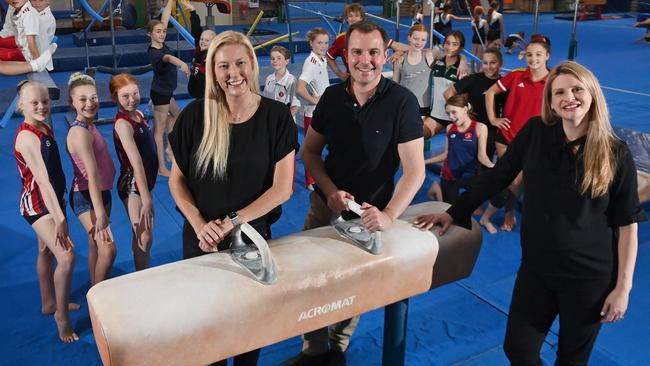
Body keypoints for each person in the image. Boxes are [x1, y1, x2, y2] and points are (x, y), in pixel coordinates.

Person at [414, 60, 645, 366]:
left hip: (589, 277)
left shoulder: (615, 152)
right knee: (518, 349)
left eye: (577, 89)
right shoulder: (537, 131)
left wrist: (622, 289)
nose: (569, 97)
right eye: (559, 92)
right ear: (550, 100)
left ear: (592, 94)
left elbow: (627, 225)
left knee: (571, 361)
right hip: (537, 268)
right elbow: (499, 176)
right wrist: (456, 211)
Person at [282, 21, 425, 366]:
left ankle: (337, 347)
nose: (365, 61)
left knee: (353, 286)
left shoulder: (402, 102)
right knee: (309, 280)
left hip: (367, 213)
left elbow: (415, 170)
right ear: (344, 57)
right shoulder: (332, 98)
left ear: (386, 54)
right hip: (325, 203)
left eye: (373, 52)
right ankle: (313, 349)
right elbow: (310, 153)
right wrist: (329, 191)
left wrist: (389, 215)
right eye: (357, 52)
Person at [168, 30, 298, 366]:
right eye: (223, 66)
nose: (233, 73)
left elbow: (283, 188)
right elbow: (177, 181)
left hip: (249, 240)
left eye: (240, 63)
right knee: (209, 330)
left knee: (247, 331)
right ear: (213, 71)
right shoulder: (195, 116)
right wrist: (200, 225)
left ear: (253, 66)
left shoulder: (277, 117)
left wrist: (232, 222)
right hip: (203, 241)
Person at [13, 81, 79, 343]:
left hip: (50, 199)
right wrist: (60, 217)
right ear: (21, 106)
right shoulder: (27, 136)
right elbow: (41, 179)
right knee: (67, 256)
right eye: (34, 103)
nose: (41, 106)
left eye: (45, 102)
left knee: (45, 250)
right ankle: (61, 317)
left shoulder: (44, 126)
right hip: (37, 204)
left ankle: (49, 302)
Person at [479, 37, 551, 233]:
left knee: (520, 180)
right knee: (515, 178)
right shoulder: (516, 75)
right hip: (507, 136)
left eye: (538, 55)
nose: (533, 59)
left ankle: (504, 207)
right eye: (529, 55)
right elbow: (490, 92)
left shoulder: (553, 81)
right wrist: (494, 119)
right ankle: (508, 210)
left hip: (534, 140)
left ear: (547, 56)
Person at [65, 73, 117, 285]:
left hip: (100, 192)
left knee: (95, 245)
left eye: (93, 97)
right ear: (72, 103)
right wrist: (101, 210)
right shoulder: (79, 133)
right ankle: (98, 295)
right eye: (83, 99)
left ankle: (96, 284)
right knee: (109, 249)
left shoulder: (89, 124)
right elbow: (92, 174)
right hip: (86, 197)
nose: (90, 103)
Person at [110, 73, 158, 271]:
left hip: (144, 182)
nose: (132, 100)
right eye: (125, 96)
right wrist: (146, 198)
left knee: (141, 234)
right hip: (133, 185)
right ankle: (142, 277)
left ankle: (141, 272)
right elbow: (136, 162)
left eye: (135, 93)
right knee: (144, 236)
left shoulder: (137, 115)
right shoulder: (122, 124)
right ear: (115, 99)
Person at [425, 94, 493, 204]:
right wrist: (424, 161)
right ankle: (437, 186)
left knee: (470, 208)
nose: (450, 117)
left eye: (454, 112)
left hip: (470, 176)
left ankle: (436, 187)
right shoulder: (450, 128)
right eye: (448, 113)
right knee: (449, 210)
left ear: (465, 109)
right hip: (449, 176)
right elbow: (446, 154)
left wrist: (492, 166)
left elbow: (482, 156)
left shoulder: (480, 128)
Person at [147, 0, 190, 176]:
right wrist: (181, 63)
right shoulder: (155, 52)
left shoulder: (161, 42)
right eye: (158, 32)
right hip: (160, 95)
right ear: (150, 34)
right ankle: (161, 167)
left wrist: (171, 1)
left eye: (163, 31)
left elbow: (165, 17)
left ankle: (169, 150)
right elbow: (168, 59)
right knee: (159, 130)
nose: (162, 34)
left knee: (177, 117)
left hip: (167, 92)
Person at [444, 48, 505, 162]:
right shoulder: (473, 79)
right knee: (465, 162)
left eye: (493, 62)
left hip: (490, 130)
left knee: (484, 164)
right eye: (485, 63)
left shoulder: (503, 83)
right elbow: (448, 93)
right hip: (470, 127)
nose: (489, 66)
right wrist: (461, 113)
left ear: (500, 63)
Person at [297, 27, 329, 190]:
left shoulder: (321, 60)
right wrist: (314, 100)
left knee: (325, 144)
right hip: (312, 113)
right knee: (312, 148)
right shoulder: (311, 63)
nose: (323, 46)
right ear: (311, 43)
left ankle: (320, 175)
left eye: (325, 43)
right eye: (319, 43)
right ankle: (311, 180)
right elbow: (299, 88)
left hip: (323, 110)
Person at [423, 30, 467, 138]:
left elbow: (465, 97)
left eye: (455, 44)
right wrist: (399, 53)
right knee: (416, 134)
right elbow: (416, 50)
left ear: (460, 48)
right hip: (436, 116)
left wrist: (463, 61)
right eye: (447, 43)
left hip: (455, 117)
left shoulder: (462, 70)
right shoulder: (438, 59)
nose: (450, 47)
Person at [182, 0, 216, 99]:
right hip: (195, 91)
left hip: (206, 95)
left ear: (213, 43)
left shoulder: (212, 56)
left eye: (207, 40)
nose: (203, 41)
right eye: (202, 39)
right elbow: (196, 30)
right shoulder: (199, 49)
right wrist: (193, 11)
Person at [263, 45, 300, 118]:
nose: (275, 61)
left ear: (286, 61)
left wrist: (284, 120)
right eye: (272, 58)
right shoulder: (269, 78)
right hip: (271, 120)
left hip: (285, 122)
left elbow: (296, 106)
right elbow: (265, 101)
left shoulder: (291, 80)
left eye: (279, 58)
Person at [470, 5, 488, 72]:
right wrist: (486, 41)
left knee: (473, 53)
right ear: (481, 12)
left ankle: (472, 69)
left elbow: (473, 31)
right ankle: (478, 71)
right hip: (481, 39)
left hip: (475, 38)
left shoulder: (473, 22)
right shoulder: (484, 21)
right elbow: (486, 32)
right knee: (480, 56)